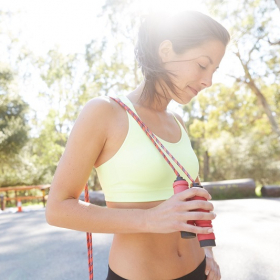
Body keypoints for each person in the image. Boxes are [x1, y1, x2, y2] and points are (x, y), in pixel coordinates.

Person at [46, 10, 230, 280]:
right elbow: (58, 208)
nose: (208, 81)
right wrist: (148, 219)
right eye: (203, 65)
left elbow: (193, 200)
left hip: (198, 269)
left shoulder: (177, 122)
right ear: (166, 51)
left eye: (214, 71)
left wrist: (210, 253)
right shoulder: (105, 112)